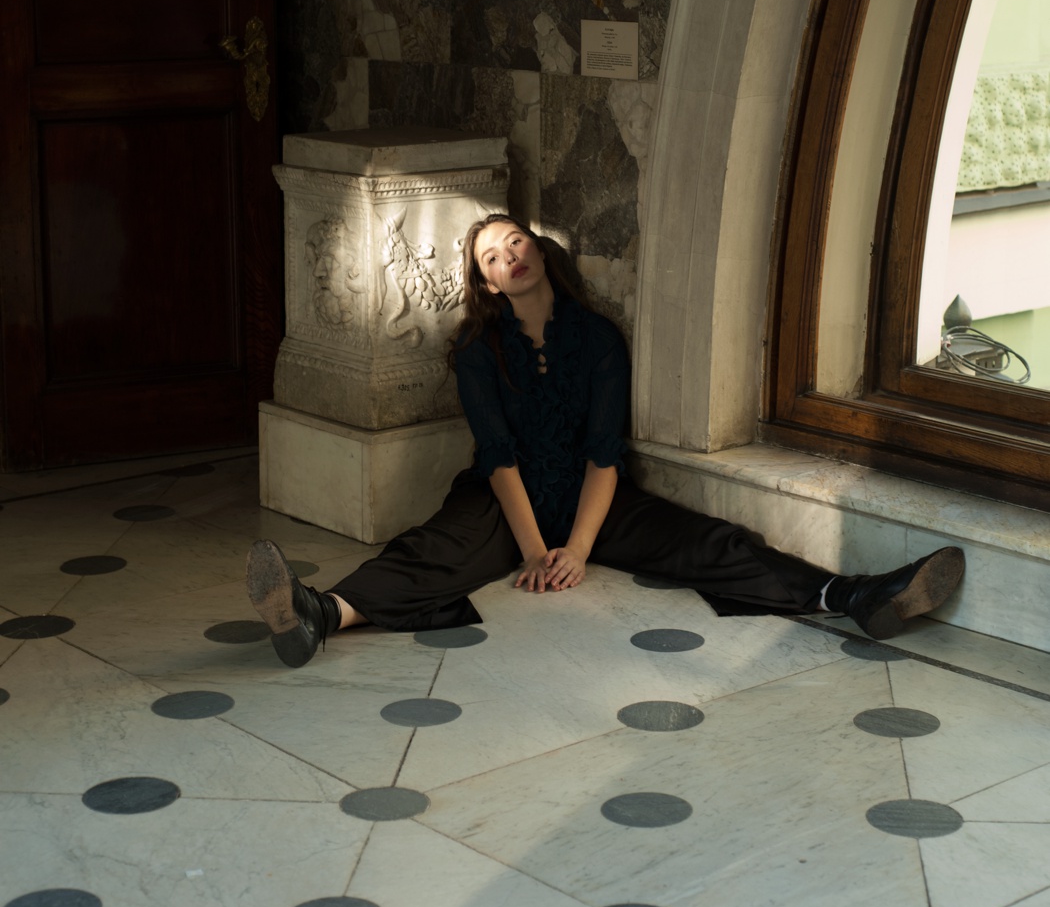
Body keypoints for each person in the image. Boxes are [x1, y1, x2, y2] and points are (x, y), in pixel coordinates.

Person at [246, 214, 965, 668]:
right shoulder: (476, 352)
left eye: (515, 241)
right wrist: (537, 551)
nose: (509, 255)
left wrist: (579, 549)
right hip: (505, 499)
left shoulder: (597, 339)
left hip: (597, 498)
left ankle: (855, 595)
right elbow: (497, 455)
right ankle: (317, 614)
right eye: (491, 256)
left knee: (711, 542)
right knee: (429, 550)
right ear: (487, 284)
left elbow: (602, 453)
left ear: (538, 250)